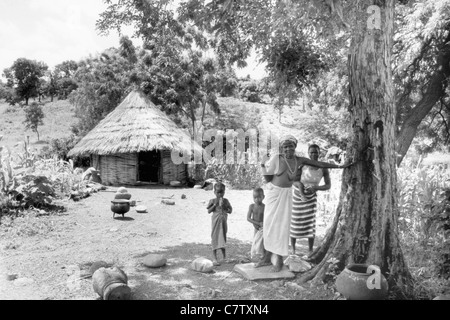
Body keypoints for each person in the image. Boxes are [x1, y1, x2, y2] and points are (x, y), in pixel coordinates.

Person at [257, 135, 350, 272]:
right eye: (285, 146)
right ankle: (266, 258)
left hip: (287, 194)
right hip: (274, 194)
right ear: (282, 148)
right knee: (269, 225)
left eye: (291, 146)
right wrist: (263, 165)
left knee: (282, 227)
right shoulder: (277, 158)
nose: (288, 148)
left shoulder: (299, 160)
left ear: (295, 147)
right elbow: (267, 179)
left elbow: (320, 164)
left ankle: (279, 259)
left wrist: (340, 166)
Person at [291, 144, 331, 256]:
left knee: (310, 224)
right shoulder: (303, 165)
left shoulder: (323, 167)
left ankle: (310, 250)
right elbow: (294, 181)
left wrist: (316, 187)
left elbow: (328, 185)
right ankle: (293, 251)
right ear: (308, 153)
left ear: (320, 153)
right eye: (312, 152)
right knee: (295, 222)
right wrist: (301, 190)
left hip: (312, 197)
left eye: (316, 152)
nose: (314, 154)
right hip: (298, 196)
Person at [207, 182, 233, 266]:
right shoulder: (212, 200)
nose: (220, 194)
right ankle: (214, 258)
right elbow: (209, 211)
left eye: (222, 192)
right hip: (216, 222)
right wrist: (215, 204)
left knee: (223, 238)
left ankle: (224, 257)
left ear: (224, 192)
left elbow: (230, 211)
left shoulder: (226, 201)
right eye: (218, 192)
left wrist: (225, 207)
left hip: (223, 222)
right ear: (214, 192)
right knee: (215, 238)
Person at [247, 187, 265, 261]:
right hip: (256, 228)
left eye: (259, 197)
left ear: (263, 197)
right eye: (255, 197)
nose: (257, 199)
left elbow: (266, 219)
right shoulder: (252, 206)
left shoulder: (264, 207)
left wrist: (263, 224)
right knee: (255, 242)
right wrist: (257, 223)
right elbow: (248, 218)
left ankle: (262, 257)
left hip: (262, 229)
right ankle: (255, 256)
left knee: (261, 243)